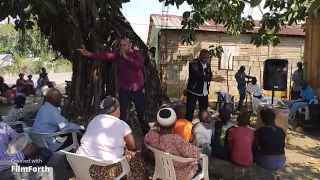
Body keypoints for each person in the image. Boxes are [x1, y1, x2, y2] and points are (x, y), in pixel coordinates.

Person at [78, 37, 150, 135]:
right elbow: (105, 56)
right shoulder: (117, 55)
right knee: (124, 115)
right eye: (120, 45)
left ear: (130, 45)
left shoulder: (136, 54)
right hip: (124, 88)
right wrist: (89, 54)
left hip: (137, 88)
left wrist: (126, 57)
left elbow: (140, 65)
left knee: (141, 114)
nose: (122, 47)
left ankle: (147, 135)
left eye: (124, 45)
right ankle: (126, 137)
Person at [77, 96, 148, 179]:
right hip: (103, 171)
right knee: (135, 159)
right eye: (119, 109)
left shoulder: (94, 120)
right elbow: (132, 147)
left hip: (81, 166)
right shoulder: (121, 124)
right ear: (116, 110)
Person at [145, 107, 202, 180]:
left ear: (158, 123)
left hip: (160, 168)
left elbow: (145, 143)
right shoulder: (177, 140)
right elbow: (196, 153)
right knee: (199, 164)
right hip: (179, 173)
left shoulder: (151, 135)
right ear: (175, 123)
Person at [0, 122, 71, 180]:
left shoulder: (2, 126)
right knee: (47, 172)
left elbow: (18, 138)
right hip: (5, 168)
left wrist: (29, 145)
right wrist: (23, 154)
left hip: (19, 160)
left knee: (57, 158)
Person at [185, 49, 226, 121]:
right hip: (193, 91)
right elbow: (198, 76)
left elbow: (209, 74)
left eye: (207, 58)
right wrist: (213, 79)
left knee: (204, 111)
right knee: (189, 111)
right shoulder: (193, 63)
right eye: (204, 58)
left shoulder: (208, 64)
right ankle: (187, 125)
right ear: (200, 56)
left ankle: (203, 126)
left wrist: (211, 78)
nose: (206, 60)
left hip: (204, 92)